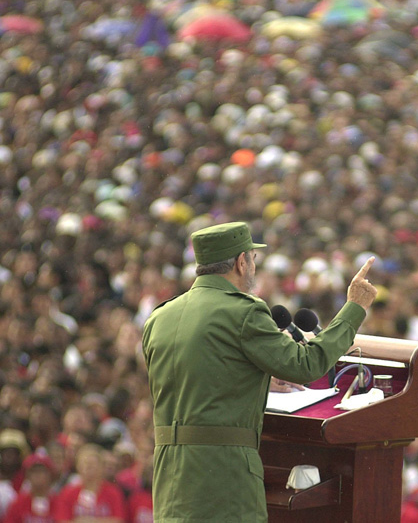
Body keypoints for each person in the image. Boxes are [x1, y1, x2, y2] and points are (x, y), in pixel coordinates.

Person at [142, 221, 377, 522]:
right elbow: (307, 365)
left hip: (170, 474)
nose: (253, 265)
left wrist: (259, 381)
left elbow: (195, 384)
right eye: (252, 258)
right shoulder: (243, 311)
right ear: (241, 262)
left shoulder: (160, 317)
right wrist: (354, 308)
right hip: (224, 476)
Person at [4, 452, 59, 523]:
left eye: (42, 471)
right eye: (33, 471)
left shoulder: (58, 502)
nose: (37, 475)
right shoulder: (18, 503)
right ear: (27, 475)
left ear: (50, 474)